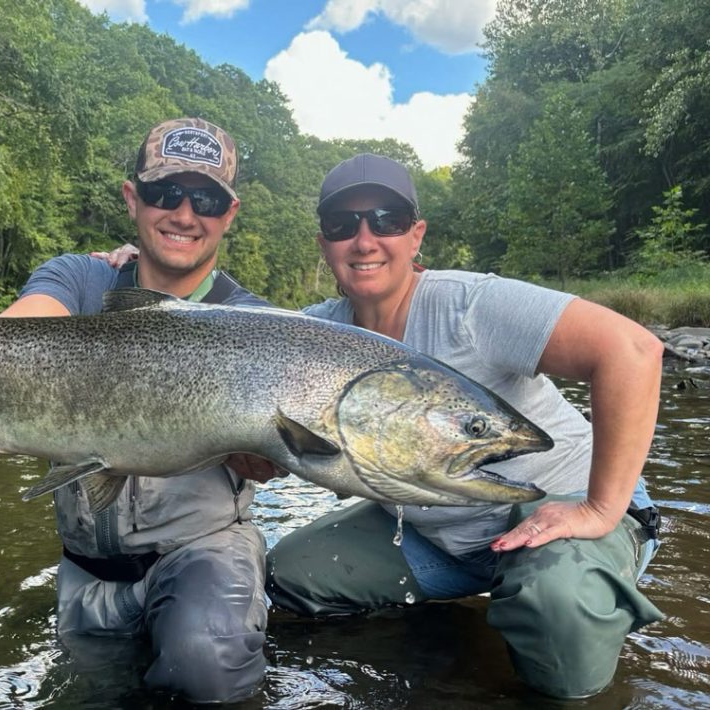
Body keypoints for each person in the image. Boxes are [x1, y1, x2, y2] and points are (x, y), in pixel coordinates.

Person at [0, 118, 279, 703]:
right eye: (164, 192)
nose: (184, 213)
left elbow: (276, 459)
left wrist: (268, 455)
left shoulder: (258, 326)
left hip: (202, 554)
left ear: (229, 212)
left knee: (208, 671)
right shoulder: (77, 277)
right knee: (90, 696)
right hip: (87, 568)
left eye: (207, 199)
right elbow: (15, 333)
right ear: (132, 198)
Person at [264, 153, 666, 699]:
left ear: (416, 235)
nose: (364, 239)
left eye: (386, 220)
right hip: (439, 536)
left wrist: (599, 508)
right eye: (343, 224)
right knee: (288, 576)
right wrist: (128, 268)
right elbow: (227, 325)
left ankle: (564, 600)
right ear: (324, 243)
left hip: (563, 505)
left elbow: (634, 350)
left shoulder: (471, 306)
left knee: (557, 620)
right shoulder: (311, 333)